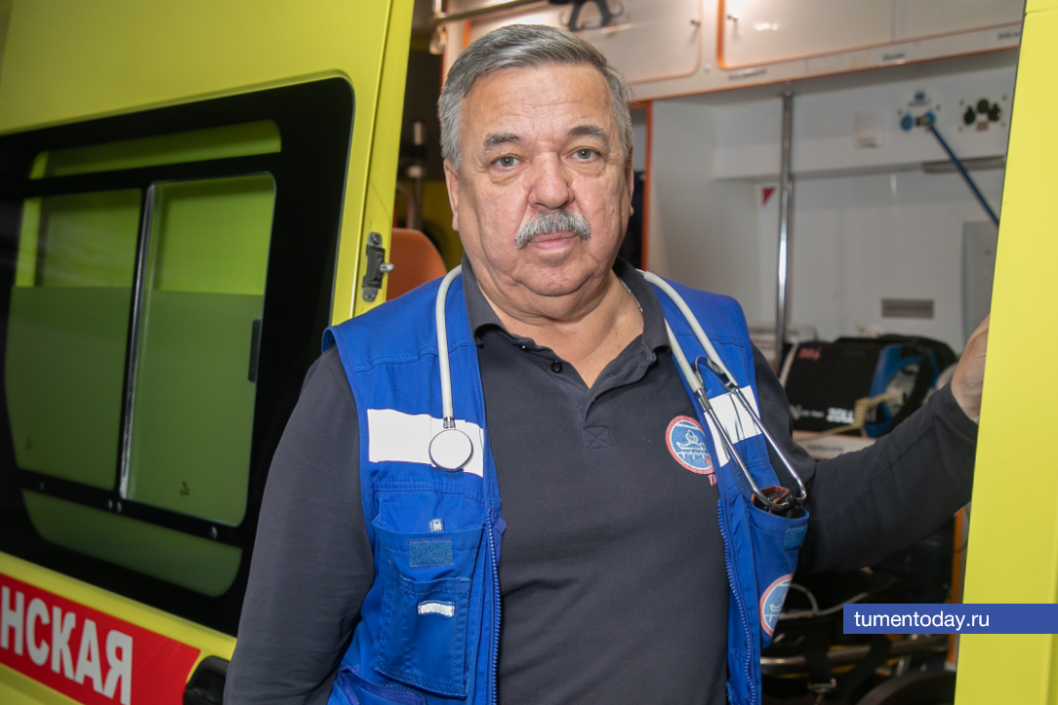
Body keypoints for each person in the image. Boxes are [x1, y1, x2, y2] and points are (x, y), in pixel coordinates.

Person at [225, 24, 987, 705]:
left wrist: (962, 408)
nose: (552, 188)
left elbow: (807, 520)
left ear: (625, 182)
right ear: (456, 192)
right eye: (506, 159)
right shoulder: (366, 383)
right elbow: (274, 683)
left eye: (584, 152)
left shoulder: (711, 345)